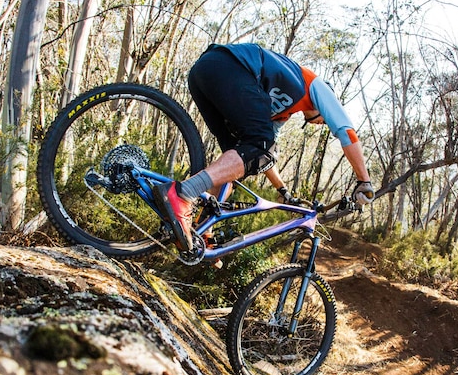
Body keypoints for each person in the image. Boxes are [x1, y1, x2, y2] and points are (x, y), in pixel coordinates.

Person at [154, 43, 375, 251]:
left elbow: (262, 156)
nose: (323, 123)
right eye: (324, 119)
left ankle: (201, 233)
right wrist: (364, 181)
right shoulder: (315, 85)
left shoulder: (283, 112)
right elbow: (347, 133)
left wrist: (283, 190)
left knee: (233, 168)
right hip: (227, 67)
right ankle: (184, 194)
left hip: (204, 73)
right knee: (258, 149)